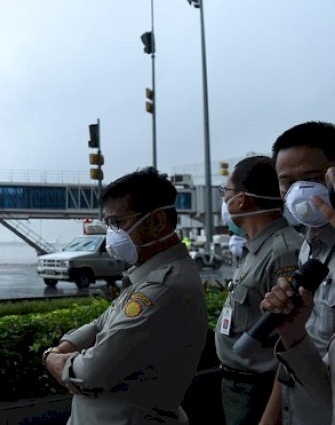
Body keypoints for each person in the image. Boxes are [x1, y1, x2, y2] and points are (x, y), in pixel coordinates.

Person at [42, 167, 207, 424]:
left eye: (118, 223)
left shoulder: (162, 288)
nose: (112, 234)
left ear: (157, 222)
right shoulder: (148, 275)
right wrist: (64, 348)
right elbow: (101, 324)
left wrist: (55, 361)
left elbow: (91, 372)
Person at [213, 156, 303, 425]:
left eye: (225, 193)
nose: (224, 202)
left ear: (241, 199)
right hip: (239, 386)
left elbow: (292, 335)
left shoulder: (283, 251)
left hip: (261, 390)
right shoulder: (256, 248)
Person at [259, 121, 335, 425]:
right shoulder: (308, 247)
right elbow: (304, 349)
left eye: (313, 178)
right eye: (286, 182)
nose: (298, 192)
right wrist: (292, 335)